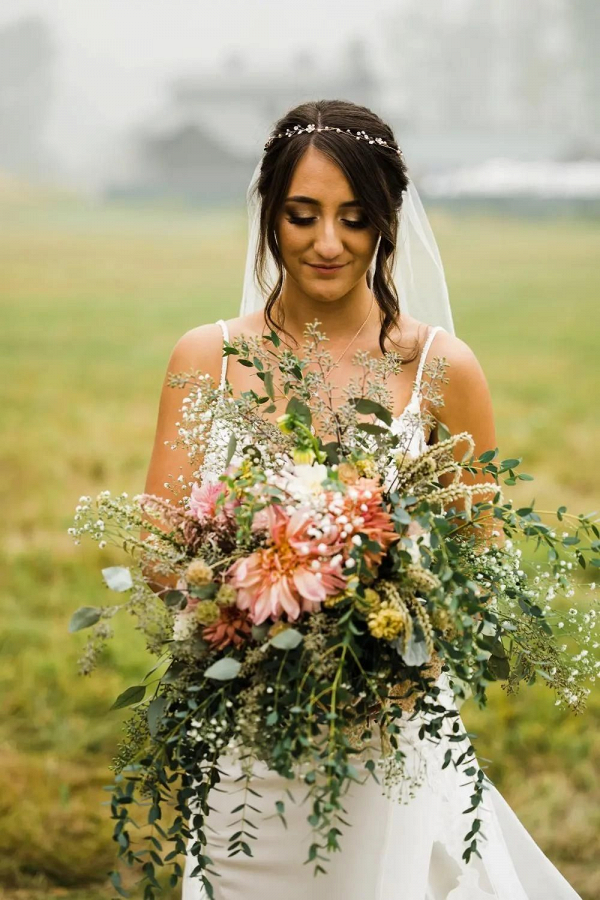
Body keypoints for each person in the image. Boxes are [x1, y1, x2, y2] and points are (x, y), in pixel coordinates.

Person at [142, 100, 582, 899]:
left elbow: (479, 560)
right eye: (302, 216)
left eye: (354, 217)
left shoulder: (443, 368)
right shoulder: (205, 356)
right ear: (270, 217)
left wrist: (384, 608)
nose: (328, 242)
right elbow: (157, 553)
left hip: (390, 723)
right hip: (245, 727)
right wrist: (248, 595)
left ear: (387, 220)